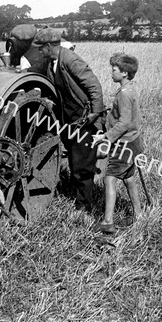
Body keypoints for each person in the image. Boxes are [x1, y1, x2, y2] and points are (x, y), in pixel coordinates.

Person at [32, 27, 105, 211]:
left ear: (49, 46)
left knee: (82, 167)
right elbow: (33, 70)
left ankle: (84, 207)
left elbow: (94, 85)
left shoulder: (70, 59)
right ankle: (79, 197)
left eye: (41, 48)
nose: (39, 51)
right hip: (68, 121)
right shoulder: (50, 62)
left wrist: (95, 112)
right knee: (74, 160)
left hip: (84, 120)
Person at [92, 53, 143, 232]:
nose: (111, 73)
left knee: (110, 179)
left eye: (114, 70)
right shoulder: (131, 89)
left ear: (124, 74)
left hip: (124, 145)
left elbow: (124, 123)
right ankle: (139, 214)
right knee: (129, 178)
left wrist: (105, 137)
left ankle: (107, 221)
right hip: (134, 142)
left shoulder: (123, 95)